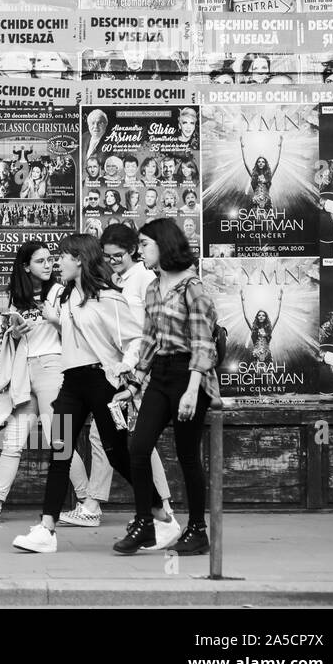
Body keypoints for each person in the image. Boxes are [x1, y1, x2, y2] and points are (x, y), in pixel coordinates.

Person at [10, 234, 176, 553]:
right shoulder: (68, 297)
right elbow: (72, 333)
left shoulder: (108, 298)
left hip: (102, 380)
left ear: (80, 260)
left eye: (63, 257)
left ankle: (161, 515)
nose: (58, 262)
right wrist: (46, 322)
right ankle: (46, 529)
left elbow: (135, 339)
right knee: (60, 449)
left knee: (117, 453)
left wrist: (122, 372)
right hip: (72, 381)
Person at [112, 219, 220, 556]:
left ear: (164, 244)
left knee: (188, 456)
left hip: (190, 375)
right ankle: (145, 523)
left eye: (145, 244)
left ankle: (198, 530)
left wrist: (192, 390)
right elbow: (149, 340)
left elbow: (204, 344)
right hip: (160, 374)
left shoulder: (193, 288)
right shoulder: (153, 287)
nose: (140, 250)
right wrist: (134, 382)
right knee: (137, 447)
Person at [61, 225, 175, 530]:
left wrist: (134, 367)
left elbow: (146, 329)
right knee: (125, 440)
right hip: (121, 370)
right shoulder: (114, 280)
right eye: (107, 256)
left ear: (133, 252)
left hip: (140, 368)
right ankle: (157, 506)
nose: (112, 261)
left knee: (126, 440)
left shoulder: (146, 279)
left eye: (118, 255)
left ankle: (103, 505)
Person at [0, 241, 63, 523]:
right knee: (13, 440)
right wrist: (16, 332)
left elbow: (74, 330)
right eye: (40, 261)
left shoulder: (59, 292)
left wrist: (53, 320)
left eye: (50, 259)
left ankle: (88, 504)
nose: (48, 264)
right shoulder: (20, 297)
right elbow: (15, 339)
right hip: (25, 371)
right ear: (26, 266)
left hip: (52, 366)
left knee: (59, 438)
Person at [241, 289, 283, 366]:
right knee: (256, 375)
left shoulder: (269, 329)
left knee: (268, 376)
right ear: (257, 317)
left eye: (263, 315)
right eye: (259, 315)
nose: (261, 317)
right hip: (255, 357)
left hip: (267, 357)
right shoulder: (253, 329)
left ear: (265, 317)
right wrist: (242, 300)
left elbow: (277, 316)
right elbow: (245, 317)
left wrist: (280, 300)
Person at [242, 138, 283, 210]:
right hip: (256, 203)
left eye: (263, 162)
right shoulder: (253, 175)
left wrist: (280, 146)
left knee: (268, 220)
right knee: (257, 220)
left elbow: (277, 163)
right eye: (259, 161)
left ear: (265, 164)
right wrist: (242, 147)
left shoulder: (269, 176)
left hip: (267, 203)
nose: (261, 163)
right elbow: (245, 163)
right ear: (257, 164)